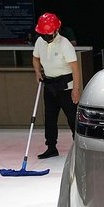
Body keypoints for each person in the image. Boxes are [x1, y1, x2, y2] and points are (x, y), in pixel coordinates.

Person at [31, 12, 82, 159]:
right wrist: (37, 72)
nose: (45, 36)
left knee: (72, 118)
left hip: (66, 87)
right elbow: (35, 58)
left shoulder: (65, 44)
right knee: (50, 118)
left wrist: (76, 90)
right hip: (49, 85)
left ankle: (79, 147)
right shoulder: (40, 41)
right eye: (43, 33)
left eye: (48, 33)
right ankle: (51, 147)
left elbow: (75, 69)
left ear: (56, 30)